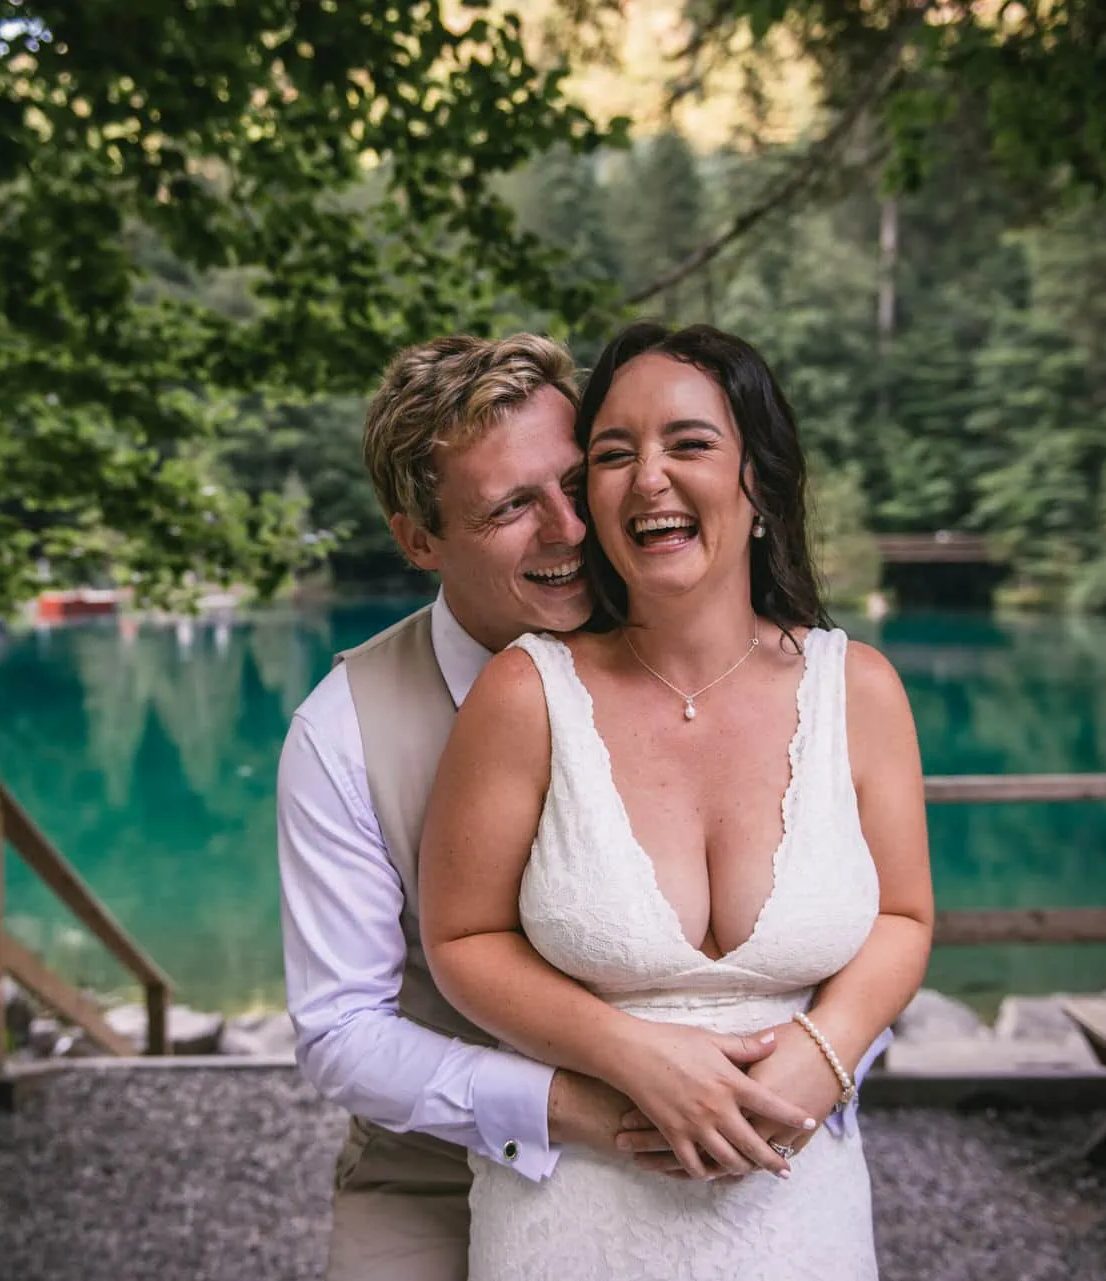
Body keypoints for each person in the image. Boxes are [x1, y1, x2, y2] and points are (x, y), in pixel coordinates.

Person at [278, 334, 814, 1281]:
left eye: (576, 479)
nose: (568, 529)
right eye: (511, 507)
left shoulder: (709, 645)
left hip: (728, 1130)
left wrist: (805, 1069)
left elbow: (839, 899)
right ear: (419, 539)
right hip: (438, 1169)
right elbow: (341, 1033)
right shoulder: (342, 731)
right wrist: (590, 1106)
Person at [419, 322, 933, 1280]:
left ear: (762, 487)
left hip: (800, 1204)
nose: (647, 476)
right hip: (576, 1211)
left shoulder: (856, 689)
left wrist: (823, 1056)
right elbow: (461, 940)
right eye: (613, 455)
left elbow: (903, 914)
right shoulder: (527, 693)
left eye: (688, 443)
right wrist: (635, 1054)